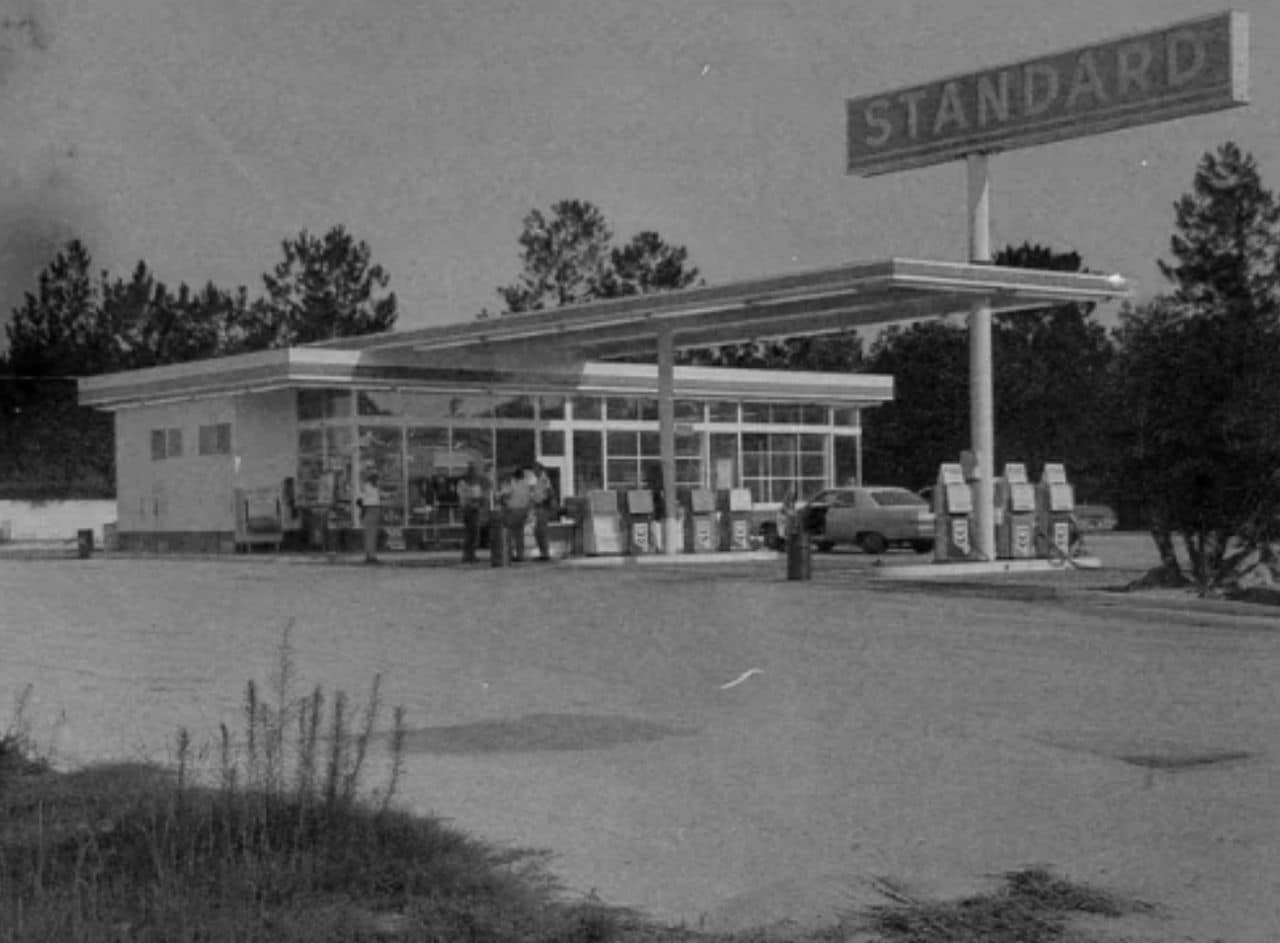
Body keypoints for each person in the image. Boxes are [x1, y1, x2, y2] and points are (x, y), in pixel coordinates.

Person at [499, 467, 533, 562]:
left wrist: (503, 504)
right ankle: (519, 555)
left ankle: (510, 555)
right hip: (520, 511)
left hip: (513, 511)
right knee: (518, 535)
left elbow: (503, 495)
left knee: (510, 535)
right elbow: (528, 498)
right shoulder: (524, 483)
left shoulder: (511, 482)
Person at [458, 463, 487, 563]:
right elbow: (465, 498)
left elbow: (480, 496)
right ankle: (466, 556)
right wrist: (475, 500)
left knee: (475, 534)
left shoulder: (476, 484)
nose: (473, 473)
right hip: (468, 511)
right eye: (471, 471)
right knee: (469, 534)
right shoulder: (463, 483)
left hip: (476, 511)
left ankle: (472, 555)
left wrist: (480, 500)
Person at [530, 462, 556, 561]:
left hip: (543, 507)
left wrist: (543, 502)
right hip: (539, 507)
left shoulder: (544, 479)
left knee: (541, 531)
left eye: (535, 470)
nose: (533, 472)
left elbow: (549, 493)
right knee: (538, 531)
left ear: (540, 470)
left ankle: (545, 553)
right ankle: (543, 552)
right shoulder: (539, 480)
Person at [357, 472, 382, 564]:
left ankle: (369, 554)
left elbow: (359, 501)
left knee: (369, 534)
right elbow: (360, 500)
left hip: (369, 510)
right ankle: (371, 556)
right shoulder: (370, 487)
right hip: (371, 509)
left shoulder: (367, 486)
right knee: (371, 535)